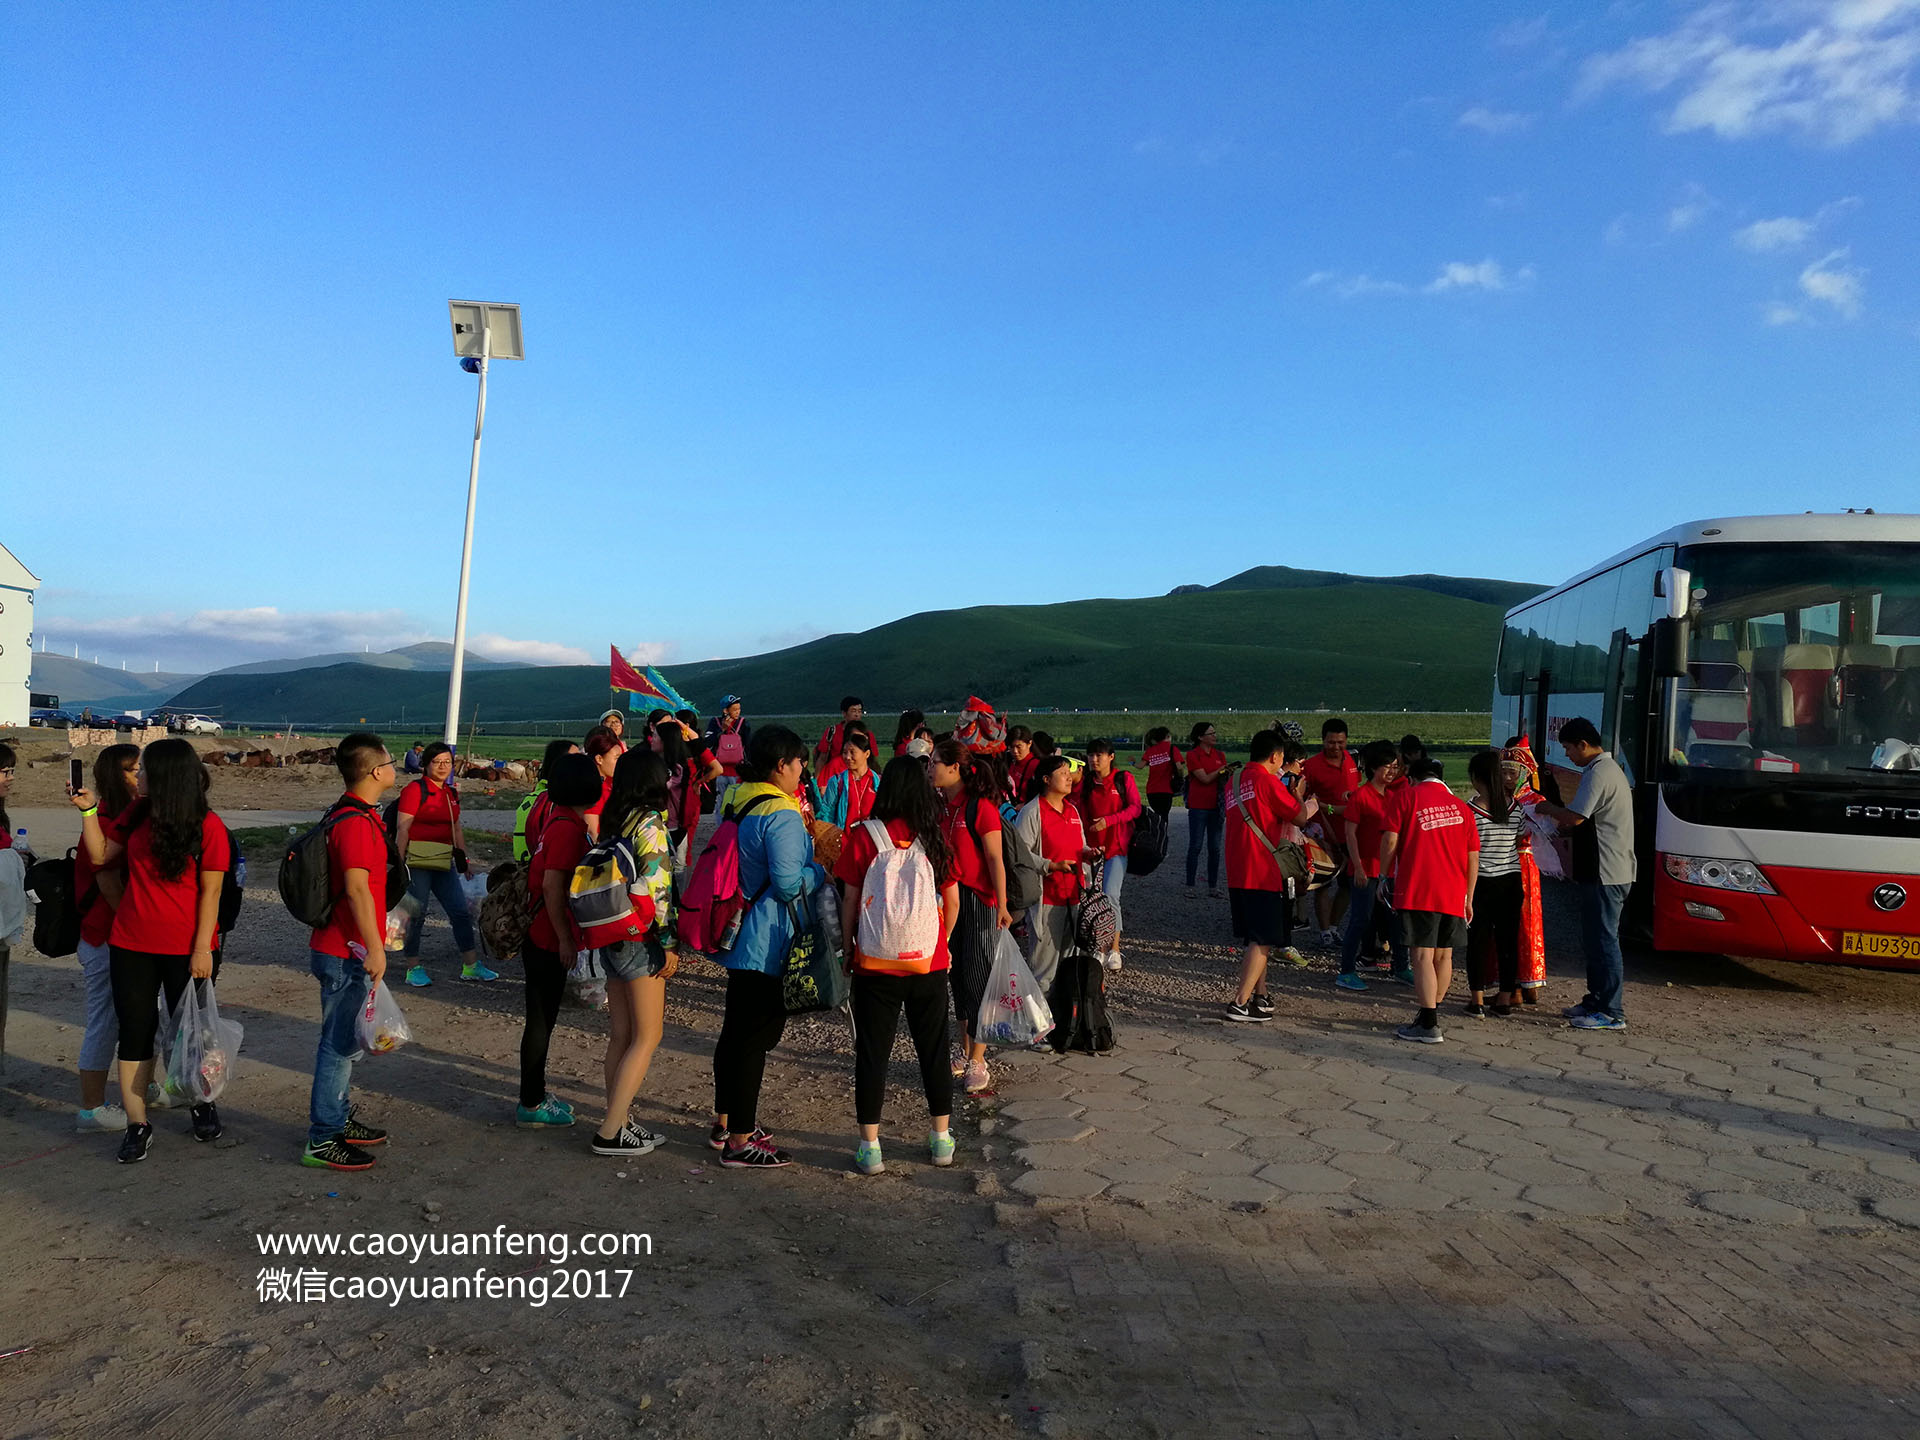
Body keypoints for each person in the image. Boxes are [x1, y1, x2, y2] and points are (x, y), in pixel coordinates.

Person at [71, 737, 235, 1163]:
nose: (136, 775)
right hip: (131, 944)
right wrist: (89, 811)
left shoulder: (209, 825)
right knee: (135, 1033)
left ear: (164, 775)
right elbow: (101, 854)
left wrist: (202, 950)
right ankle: (137, 1123)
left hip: (188, 948)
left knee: (193, 1033)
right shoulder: (135, 813)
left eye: (142, 769)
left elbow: (212, 893)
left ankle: (201, 1102)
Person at [709, 726, 827, 1168]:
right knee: (755, 1038)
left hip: (736, 933)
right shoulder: (782, 813)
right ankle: (740, 1141)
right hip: (766, 938)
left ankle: (726, 1124)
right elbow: (787, 883)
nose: (802, 773)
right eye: (799, 765)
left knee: (734, 1032)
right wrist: (818, 871)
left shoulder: (737, 799)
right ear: (782, 765)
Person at [835, 757, 959, 1174]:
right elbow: (953, 900)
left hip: (875, 964)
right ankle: (941, 1138)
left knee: (873, 1052)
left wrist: (850, 945)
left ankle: (870, 1146)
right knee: (934, 1048)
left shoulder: (864, 837)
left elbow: (850, 899)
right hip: (929, 962)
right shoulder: (935, 837)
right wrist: (940, 941)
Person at [302, 733, 397, 1171]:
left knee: (346, 1044)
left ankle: (337, 1117)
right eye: (391, 762)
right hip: (346, 950)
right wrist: (376, 950)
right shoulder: (356, 823)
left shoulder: (350, 814)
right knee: (338, 1046)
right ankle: (323, 1137)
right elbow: (358, 889)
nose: (395, 768)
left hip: (346, 946)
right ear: (376, 771)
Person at [589, 748, 680, 1157]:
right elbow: (658, 890)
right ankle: (610, 1130)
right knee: (648, 1035)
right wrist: (668, 944)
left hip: (609, 930)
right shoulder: (651, 824)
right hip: (640, 937)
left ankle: (620, 1120)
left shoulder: (615, 819)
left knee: (621, 1036)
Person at [1533, 717, 1635, 1031]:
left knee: (1605, 940)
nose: (1567, 755)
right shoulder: (1602, 769)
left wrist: (1545, 808)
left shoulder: (1601, 772)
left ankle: (1612, 1010)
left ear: (1583, 744)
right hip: (1600, 869)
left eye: (1567, 748)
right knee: (1593, 939)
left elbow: (1576, 817)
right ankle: (1595, 1000)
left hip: (1608, 870)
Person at [519, 752, 601, 1129]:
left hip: (542, 932)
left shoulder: (560, 818)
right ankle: (531, 1103)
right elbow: (553, 886)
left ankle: (534, 1094)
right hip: (547, 936)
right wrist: (566, 939)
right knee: (540, 1020)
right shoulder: (568, 829)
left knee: (542, 1018)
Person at [928, 738, 1012, 1093]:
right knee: (957, 976)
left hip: (978, 899)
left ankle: (979, 1057)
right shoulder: (941, 806)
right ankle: (964, 1052)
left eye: (934, 762)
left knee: (978, 976)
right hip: (948, 897)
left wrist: (1003, 904)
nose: (929, 767)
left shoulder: (981, 808)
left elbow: (995, 859)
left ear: (955, 768)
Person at [1379, 757, 1480, 1045]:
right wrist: (1469, 896)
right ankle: (1430, 1012)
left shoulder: (1406, 798)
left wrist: (1384, 876)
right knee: (1444, 955)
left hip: (1419, 889)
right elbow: (1473, 856)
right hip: (1454, 891)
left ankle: (1428, 1021)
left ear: (1413, 778)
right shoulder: (1462, 807)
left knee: (1421, 956)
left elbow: (1389, 841)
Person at [72, 743, 140, 1132]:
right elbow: (105, 876)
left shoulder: (124, 816)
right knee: (105, 1019)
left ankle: (132, 1092)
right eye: (133, 770)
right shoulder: (103, 820)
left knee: (128, 1018)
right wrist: (134, 924)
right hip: (105, 934)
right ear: (118, 776)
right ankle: (92, 1107)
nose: (139, 776)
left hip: (115, 933)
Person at [1223, 733, 1314, 1021]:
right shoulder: (1266, 781)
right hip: (1263, 870)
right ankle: (1240, 1002)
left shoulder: (1234, 781)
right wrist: (1299, 795)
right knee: (1263, 938)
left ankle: (1260, 996)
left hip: (1238, 869)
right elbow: (1299, 817)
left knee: (1255, 937)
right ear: (1275, 756)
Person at [395, 742, 490, 987]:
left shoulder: (450, 793)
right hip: (417, 862)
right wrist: (398, 861)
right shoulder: (415, 790)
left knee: (459, 911)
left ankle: (470, 965)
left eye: (447, 762)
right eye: (437, 762)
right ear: (425, 765)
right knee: (416, 914)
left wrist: (464, 860)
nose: (442, 766)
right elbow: (403, 828)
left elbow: (456, 828)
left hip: (443, 860)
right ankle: (412, 967)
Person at [1015, 755, 1098, 997]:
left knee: (1067, 965)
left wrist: (1089, 854)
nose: (1068, 777)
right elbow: (1021, 855)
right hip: (1047, 900)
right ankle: (1037, 1027)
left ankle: (1062, 1024)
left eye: (1068, 773)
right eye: (1062, 773)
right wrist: (1050, 866)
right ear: (1046, 779)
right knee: (1044, 970)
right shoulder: (1032, 811)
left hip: (1074, 896)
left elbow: (1079, 846)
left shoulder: (1071, 810)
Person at [1335, 739, 1407, 993]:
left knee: (1394, 919)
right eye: (1387, 767)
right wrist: (1357, 867)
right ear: (1373, 768)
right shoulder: (1362, 796)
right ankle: (1345, 971)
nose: (1392, 771)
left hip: (1388, 869)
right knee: (1360, 919)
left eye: (1395, 767)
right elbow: (1350, 834)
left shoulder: (1392, 796)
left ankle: (1401, 966)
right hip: (1365, 868)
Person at [1465, 748, 1530, 1018]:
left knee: (1478, 941)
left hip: (1481, 882)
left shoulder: (1471, 810)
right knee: (1507, 940)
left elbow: (1468, 851)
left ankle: (1477, 1000)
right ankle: (1504, 998)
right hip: (1511, 881)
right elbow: (1521, 837)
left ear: (1476, 778)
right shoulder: (1516, 809)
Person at [1073, 739, 1141, 971]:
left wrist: (1109, 821)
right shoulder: (1087, 784)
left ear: (1111, 757)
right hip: (1092, 851)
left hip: (1116, 848)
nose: (1094, 760)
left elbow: (1135, 808)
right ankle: (1098, 948)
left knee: (1110, 896)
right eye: (1091, 755)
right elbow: (1081, 813)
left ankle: (1114, 948)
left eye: (1099, 755)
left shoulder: (1124, 779)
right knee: (1092, 898)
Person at [1299, 718, 1360, 947]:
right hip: (1322, 834)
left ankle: (1334, 926)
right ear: (1323, 740)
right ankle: (1324, 931)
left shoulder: (1351, 762)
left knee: (1347, 883)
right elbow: (1302, 797)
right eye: (1331, 742)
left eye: (1340, 742)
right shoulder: (1311, 766)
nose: (1336, 746)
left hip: (1349, 832)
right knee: (1323, 883)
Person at [513, 738, 581, 862]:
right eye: (576, 758)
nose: (581, 762)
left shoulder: (534, 796)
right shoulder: (557, 801)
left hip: (524, 864)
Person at [1182, 722, 1230, 897]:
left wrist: (1227, 772)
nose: (1214, 736)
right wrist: (1221, 770)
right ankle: (1190, 885)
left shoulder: (1220, 755)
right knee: (1195, 846)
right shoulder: (1193, 755)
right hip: (1199, 806)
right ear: (1200, 737)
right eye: (1211, 733)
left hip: (1216, 806)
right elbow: (1205, 779)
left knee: (1215, 848)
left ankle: (1212, 886)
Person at [817, 727, 879, 829]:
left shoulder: (877, 782)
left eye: (852, 752)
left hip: (870, 841)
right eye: (845, 752)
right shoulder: (836, 782)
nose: (847, 757)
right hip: (845, 842)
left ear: (867, 754)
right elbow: (827, 813)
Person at [705, 696, 751, 817]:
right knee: (721, 800)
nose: (738, 712)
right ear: (725, 711)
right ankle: (722, 826)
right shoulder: (715, 722)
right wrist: (722, 730)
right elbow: (708, 742)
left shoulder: (743, 723)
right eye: (734, 709)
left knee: (737, 800)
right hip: (720, 770)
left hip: (737, 770)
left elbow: (748, 745)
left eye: (739, 709)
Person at [582, 725, 622, 839]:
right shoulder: (594, 789)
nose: (620, 763)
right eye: (616, 758)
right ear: (599, 759)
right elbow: (593, 831)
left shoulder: (609, 784)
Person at [1139, 726, 1184, 821]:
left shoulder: (1150, 750)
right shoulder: (1172, 749)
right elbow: (1179, 767)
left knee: (1157, 814)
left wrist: (1133, 762)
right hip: (1166, 790)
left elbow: (1141, 765)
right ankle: (1162, 834)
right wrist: (1180, 776)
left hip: (1151, 790)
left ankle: (1157, 833)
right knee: (1164, 816)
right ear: (1168, 736)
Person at [815, 696, 865, 777]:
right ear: (844, 713)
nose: (857, 715)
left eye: (859, 711)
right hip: (834, 775)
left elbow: (872, 760)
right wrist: (816, 782)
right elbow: (822, 759)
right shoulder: (832, 732)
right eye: (853, 711)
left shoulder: (867, 734)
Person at [1005, 725, 1040, 803]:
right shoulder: (1008, 761)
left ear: (1029, 743)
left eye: (1019, 747)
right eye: (1011, 747)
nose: (1015, 751)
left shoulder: (1037, 766)